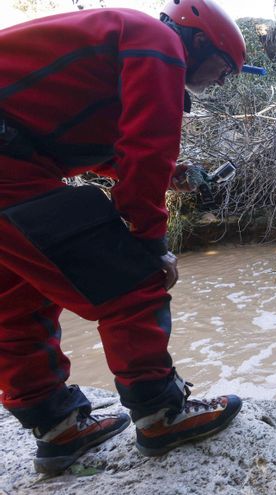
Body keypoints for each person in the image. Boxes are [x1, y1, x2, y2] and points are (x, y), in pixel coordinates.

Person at [0, 0, 252, 475]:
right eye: (224, 68)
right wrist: (150, 243)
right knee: (131, 281)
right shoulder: (157, 43)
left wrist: (168, 174)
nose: (223, 81)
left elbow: (83, 139)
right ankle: (161, 413)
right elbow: (144, 148)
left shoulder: (122, 37)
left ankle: (55, 428)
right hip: (10, 164)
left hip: (16, 158)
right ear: (196, 39)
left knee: (16, 300)